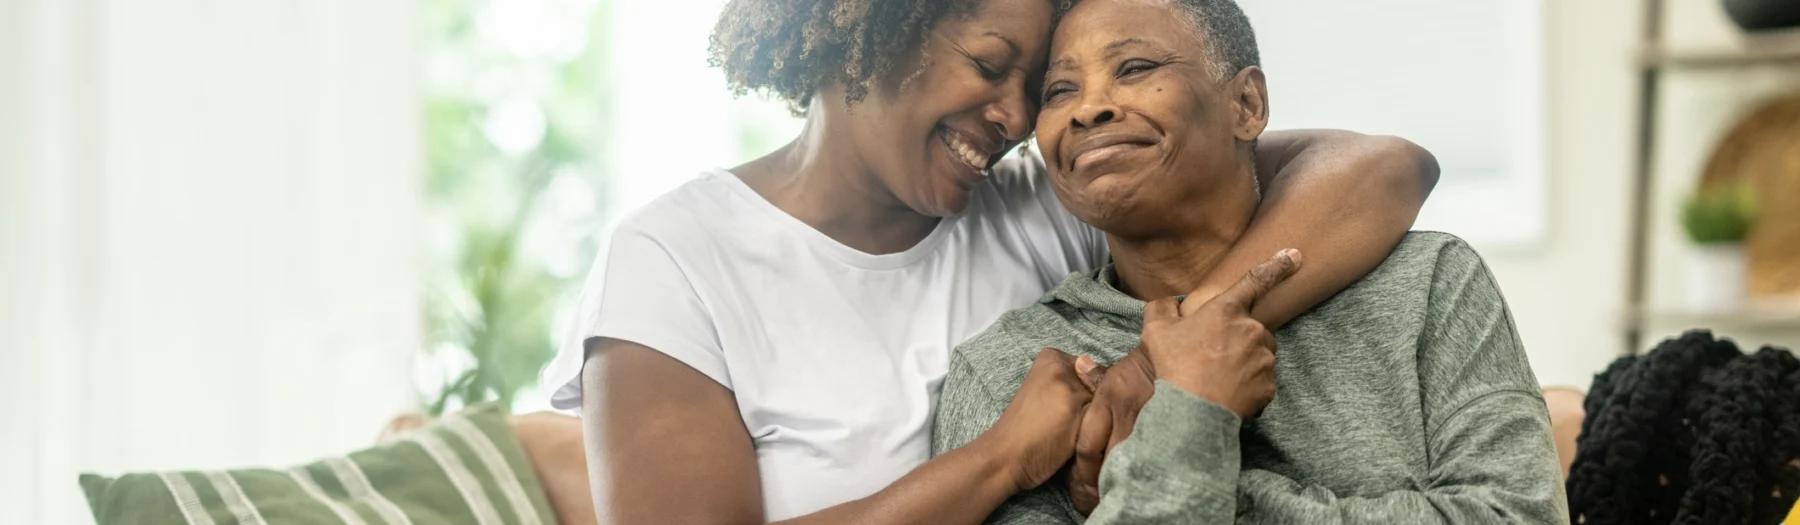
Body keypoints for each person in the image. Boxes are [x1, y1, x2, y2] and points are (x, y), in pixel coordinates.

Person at [537, 0, 1442, 522]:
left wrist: (1162, 361)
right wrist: (997, 460)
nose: (1016, 119)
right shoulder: (676, 258)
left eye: (1032, 84)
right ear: (878, 27)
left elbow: (1381, 167)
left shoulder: (1039, 208)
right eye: (989, 64)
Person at [931, 0, 1568, 522]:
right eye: (1060, 88)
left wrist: (1196, 453)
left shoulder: (1432, 284)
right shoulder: (1012, 372)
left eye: (1134, 67)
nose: (1088, 106)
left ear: (1247, 106)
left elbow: (1518, 514)